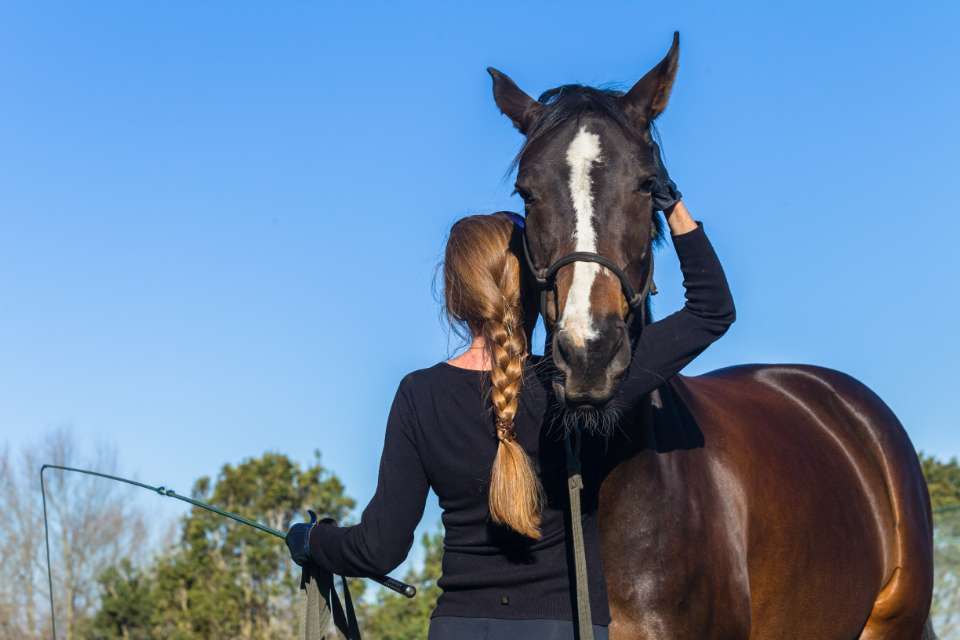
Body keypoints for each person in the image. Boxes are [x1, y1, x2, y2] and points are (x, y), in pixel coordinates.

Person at [285, 145, 735, 639]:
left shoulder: (418, 396)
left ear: (456, 298)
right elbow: (711, 309)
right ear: (537, 285)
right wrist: (670, 205)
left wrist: (311, 540)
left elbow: (378, 550)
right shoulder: (574, 383)